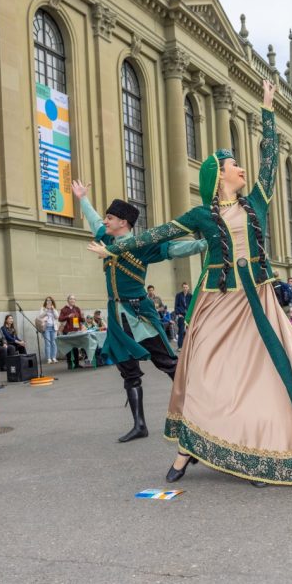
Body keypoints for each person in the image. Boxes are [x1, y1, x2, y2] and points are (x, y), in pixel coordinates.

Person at [89, 80, 292, 485]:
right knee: (204, 375)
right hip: (214, 303)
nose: (241, 169)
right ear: (219, 177)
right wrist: (114, 251)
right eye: (232, 166)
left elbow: (270, 159)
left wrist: (267, 109)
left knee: (266, 377)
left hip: (255, 299)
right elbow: (153, 236)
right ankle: (188, 448)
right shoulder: (200, 215)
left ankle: (259, 451)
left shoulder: (256, 200)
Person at [73, 181, 206, 443]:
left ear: (123, 222)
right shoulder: (107, 239)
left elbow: (175, 249)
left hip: (139, 314)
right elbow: (93, 220)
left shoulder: (142, 244)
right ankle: (139, 425)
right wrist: (82, 198)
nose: (106, 221)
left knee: (167, 363)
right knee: (128, 371)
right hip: (116, 315)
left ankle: (198, 415)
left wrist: (204, 244)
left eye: (110, 218)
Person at [59, 295, 84, 369]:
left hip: (76, 330)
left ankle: (76, 363)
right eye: (71, 299)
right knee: (68, 348)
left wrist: (82, 317)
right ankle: (69, 364)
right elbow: (60, 319)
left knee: (75, 347)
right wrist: (68, 316)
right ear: (68, 300)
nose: (72, 300)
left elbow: (81, 320)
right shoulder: (64, 309)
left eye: (73, 299)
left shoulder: (77, 309)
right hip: (67, 331)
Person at [38, 297, 59, 364]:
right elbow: (40, 316)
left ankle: (54, 357)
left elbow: (57, 317)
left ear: (52, 302)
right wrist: (46, 310)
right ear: (45, 302)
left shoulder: (54, 309)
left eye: (50, 300)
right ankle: (49, 358)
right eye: (47, 300)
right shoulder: (43, 308)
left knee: (54, 343)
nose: (49, 302)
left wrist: (53, 310)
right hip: (46, 327)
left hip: (53, 327)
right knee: (48, 343)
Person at [173, 282, 192, 348]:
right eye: (184, 287)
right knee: (181, 331)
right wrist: (178, 314)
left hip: (189, 316)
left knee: (189, 331)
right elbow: (176, 306)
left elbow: (192, 306)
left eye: (186, 287)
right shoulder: (178, 295)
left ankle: (189, 346)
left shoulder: (190, 296)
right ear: (182, 288)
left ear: (188, 287)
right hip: (181, 315)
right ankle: (180, 346)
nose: (185, 288)